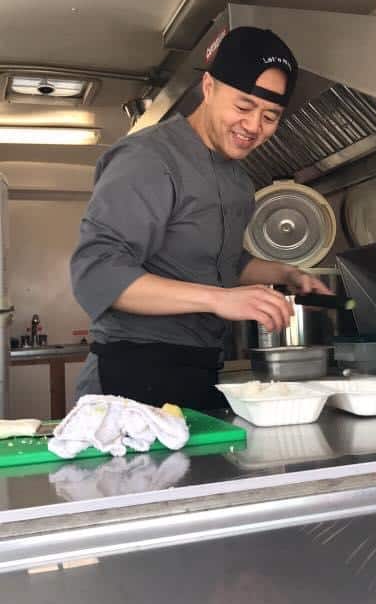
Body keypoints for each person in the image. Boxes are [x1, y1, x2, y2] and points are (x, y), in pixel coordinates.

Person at [71, 26, 331, 410]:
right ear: (208, 87)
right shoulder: (148, 159)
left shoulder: (239, 180)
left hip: (199, 367)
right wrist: (218, 300)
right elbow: (96, 273)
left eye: (270, 116)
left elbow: (221, 262)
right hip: (132, 369)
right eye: (243, 107)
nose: (254, 126)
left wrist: (285, 274)